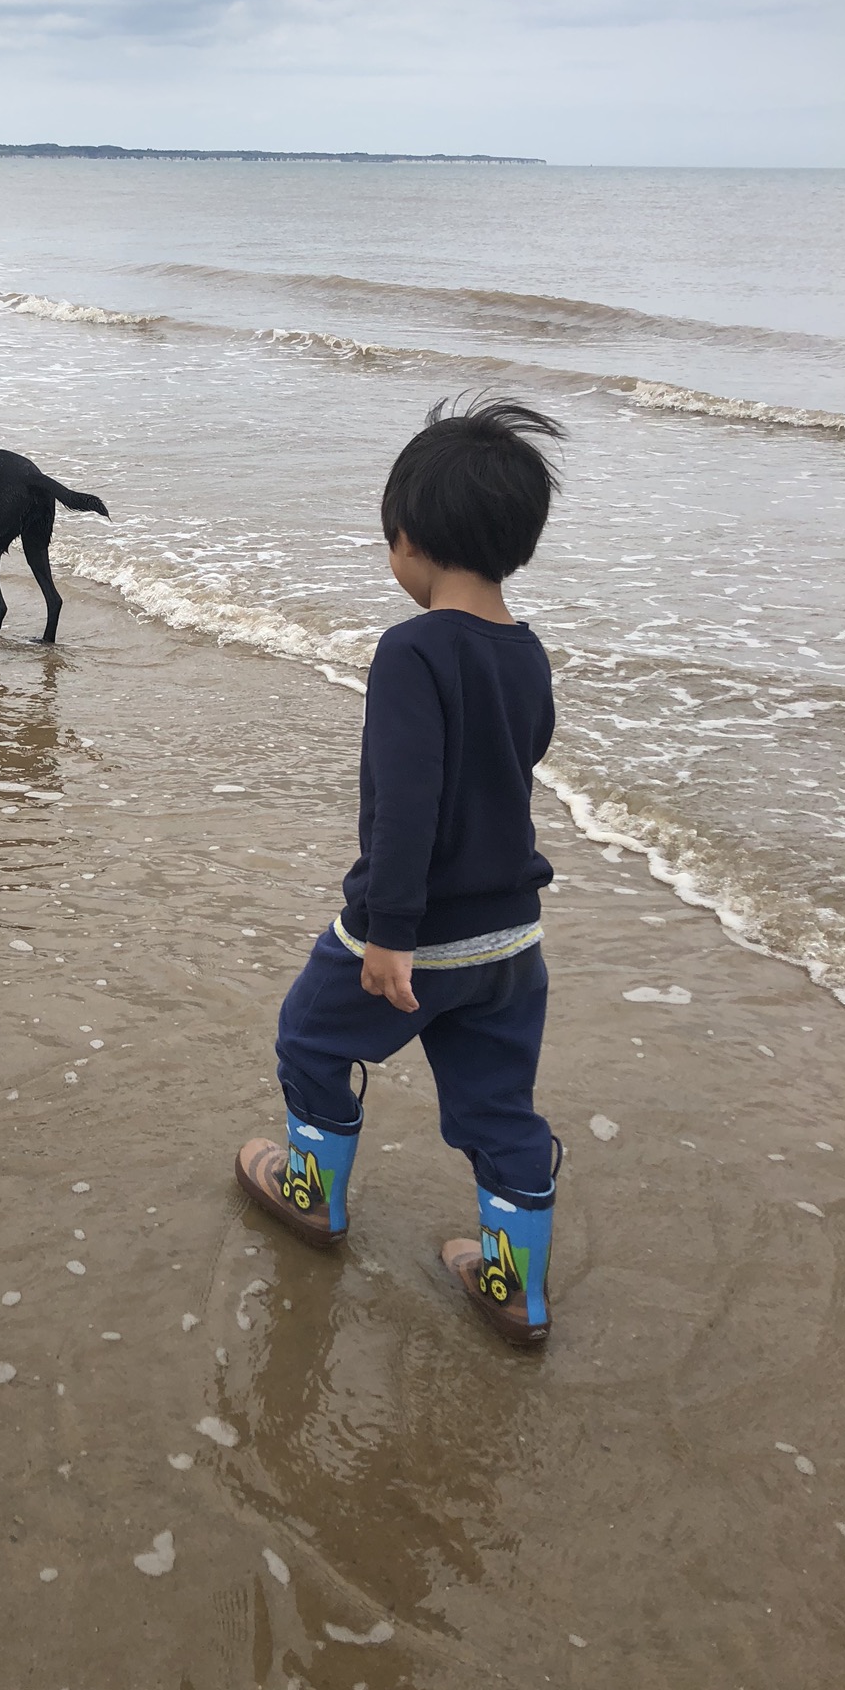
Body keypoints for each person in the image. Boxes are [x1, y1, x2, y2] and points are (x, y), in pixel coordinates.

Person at [235, 400, 566, 1348]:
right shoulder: (527, 652)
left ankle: (312, 1196)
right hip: (513, 938)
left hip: (414, 930)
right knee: (498, 1105)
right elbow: (520, 763)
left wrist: (389, 931)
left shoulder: (412, 648)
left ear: (409, 539)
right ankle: (515, 1287)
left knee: (309, 1036)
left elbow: (407, 801)